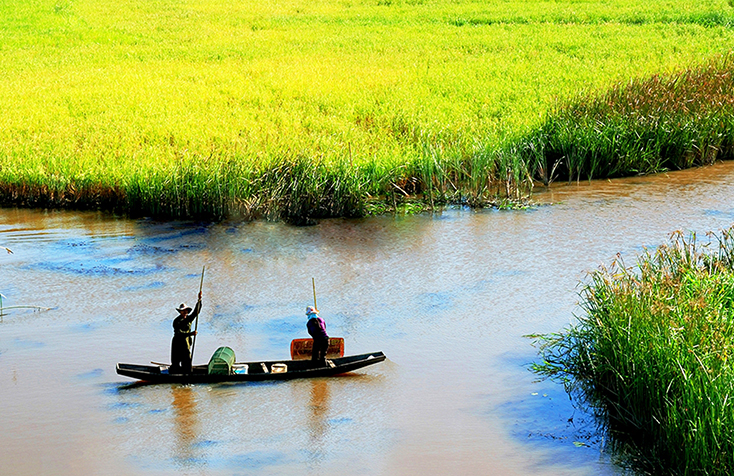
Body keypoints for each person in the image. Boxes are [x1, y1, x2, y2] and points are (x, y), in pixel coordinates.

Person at [170, 291, 202, 374]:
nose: (185, 312)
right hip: (177, 343)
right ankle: (175, 374)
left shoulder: (188, 319)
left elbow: (196, 312)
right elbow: (179, 333)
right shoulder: (176, 321)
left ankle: (187, 376)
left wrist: (199, 300)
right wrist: (190, 334)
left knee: (187, 360)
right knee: (176, 360)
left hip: (186, 343)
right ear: (180, 312)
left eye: (186, 311)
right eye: (183, 311)